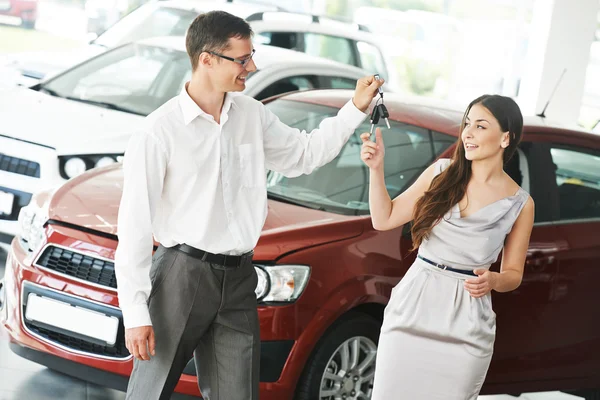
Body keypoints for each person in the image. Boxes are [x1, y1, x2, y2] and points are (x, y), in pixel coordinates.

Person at [114, 10, 384, 400]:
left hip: (240, 277)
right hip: (181, 275)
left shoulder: (252, 116)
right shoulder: (159, 132)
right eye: (242, 59)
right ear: (207, 59)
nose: (252, 67)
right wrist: (136, 312)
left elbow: (304, 155)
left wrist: (354, 108)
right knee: (149, 393)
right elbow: (134, 227)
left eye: (251, 56)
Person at [361, 95, 535, 399]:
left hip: (466, 323)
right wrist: (376, 170)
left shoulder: (521, 203)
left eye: (480, 126)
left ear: (506, 137)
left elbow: (513, 274)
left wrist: (494, 280)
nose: (467, 133)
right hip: (413, 309)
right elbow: (384, 218)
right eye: (467, 124)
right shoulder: (441, 174)